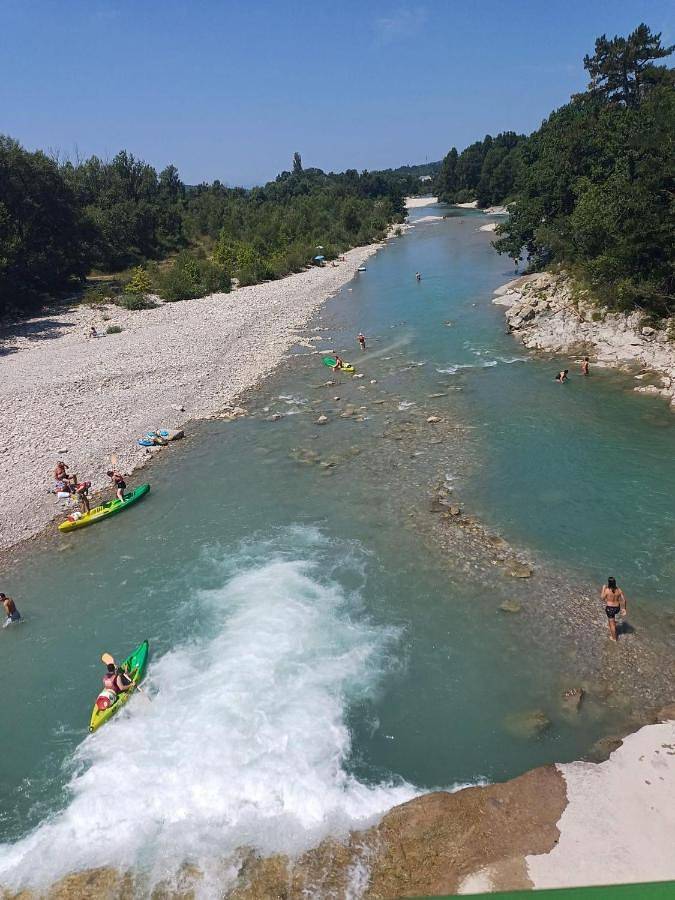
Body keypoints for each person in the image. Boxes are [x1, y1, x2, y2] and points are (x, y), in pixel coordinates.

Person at [600, 577, 627, 642]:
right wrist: (624, 609)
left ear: (609, 583)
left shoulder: (607, 590)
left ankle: (614, 638)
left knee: (612, 624)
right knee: (612, 620)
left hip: (610, 609)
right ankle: (611, 625)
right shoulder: (619, 590)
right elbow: (624, 600)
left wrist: (603, 588)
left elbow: (602, 598)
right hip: (617, 608)